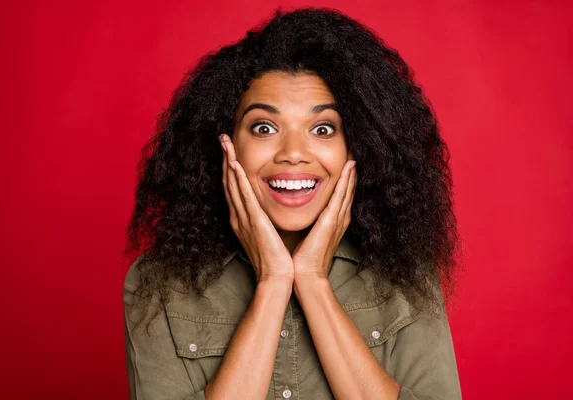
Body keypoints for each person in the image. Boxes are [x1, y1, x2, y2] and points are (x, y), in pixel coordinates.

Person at [123, 7, 463, 400]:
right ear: (225, 144)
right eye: (264, 127)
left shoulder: (406, 273)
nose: (294, 153)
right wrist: (272, 282)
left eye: (323, 128)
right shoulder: (160, 284)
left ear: (361, 146)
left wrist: (313, 282)